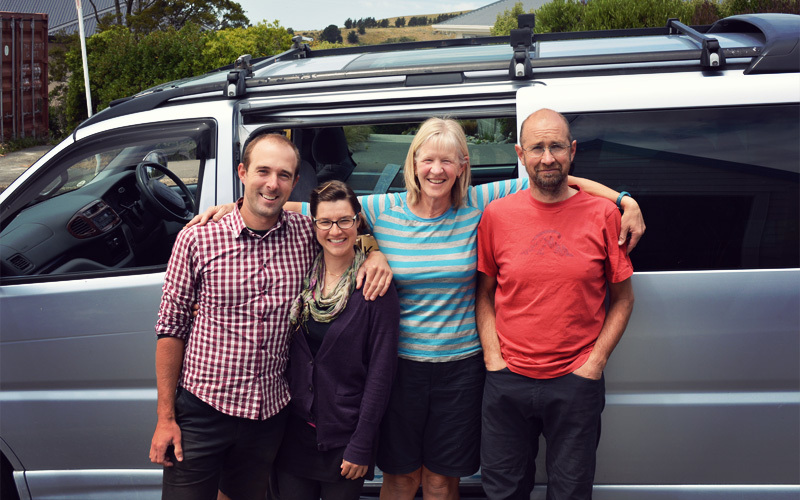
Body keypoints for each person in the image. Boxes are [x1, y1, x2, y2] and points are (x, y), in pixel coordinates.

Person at [192, 119, 645, 500]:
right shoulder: (383, 209)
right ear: (412, 163)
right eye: (427, 159)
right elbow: (314, 212)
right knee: (402, 477)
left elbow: (556, 178)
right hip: (401, 368)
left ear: (462, 166)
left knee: (442, 481)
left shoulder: (479, 203)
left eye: (448, 160)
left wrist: (624, 199)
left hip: (462, 368)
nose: (437, 170)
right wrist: (235, 208)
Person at [148, 133, 391, 500]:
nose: (272, 184)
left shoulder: (305, 233)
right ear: (242, 172)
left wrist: (374, 253)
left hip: (269, 414)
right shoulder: (198, 239)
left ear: (295, 182)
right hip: (203, 408)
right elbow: (171, 328)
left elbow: (341, 226)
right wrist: (165, 417)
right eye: (263, 171)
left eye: (283, 175)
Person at [475, 108, 635, 500]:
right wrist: (494, 358)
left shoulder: (603, 214)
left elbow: (623, 299)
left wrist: (593, 365)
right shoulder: (496, 214)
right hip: (508, 379)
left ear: (572, 151)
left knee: (571, 491)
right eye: (537, 148)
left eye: (557, 147)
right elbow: (484, 294)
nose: (547, 158)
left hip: (575, 381)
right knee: (503, 491)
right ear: (520, 154)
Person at [274, 180, 400, 500]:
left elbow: (381, 374)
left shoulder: (374, 287)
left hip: (344, 439)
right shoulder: (300, 275)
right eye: (325, 222)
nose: (335, 231)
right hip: (292, 436)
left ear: (358, 222)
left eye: (345, 220)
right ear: (314, 225)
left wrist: (362, 444)